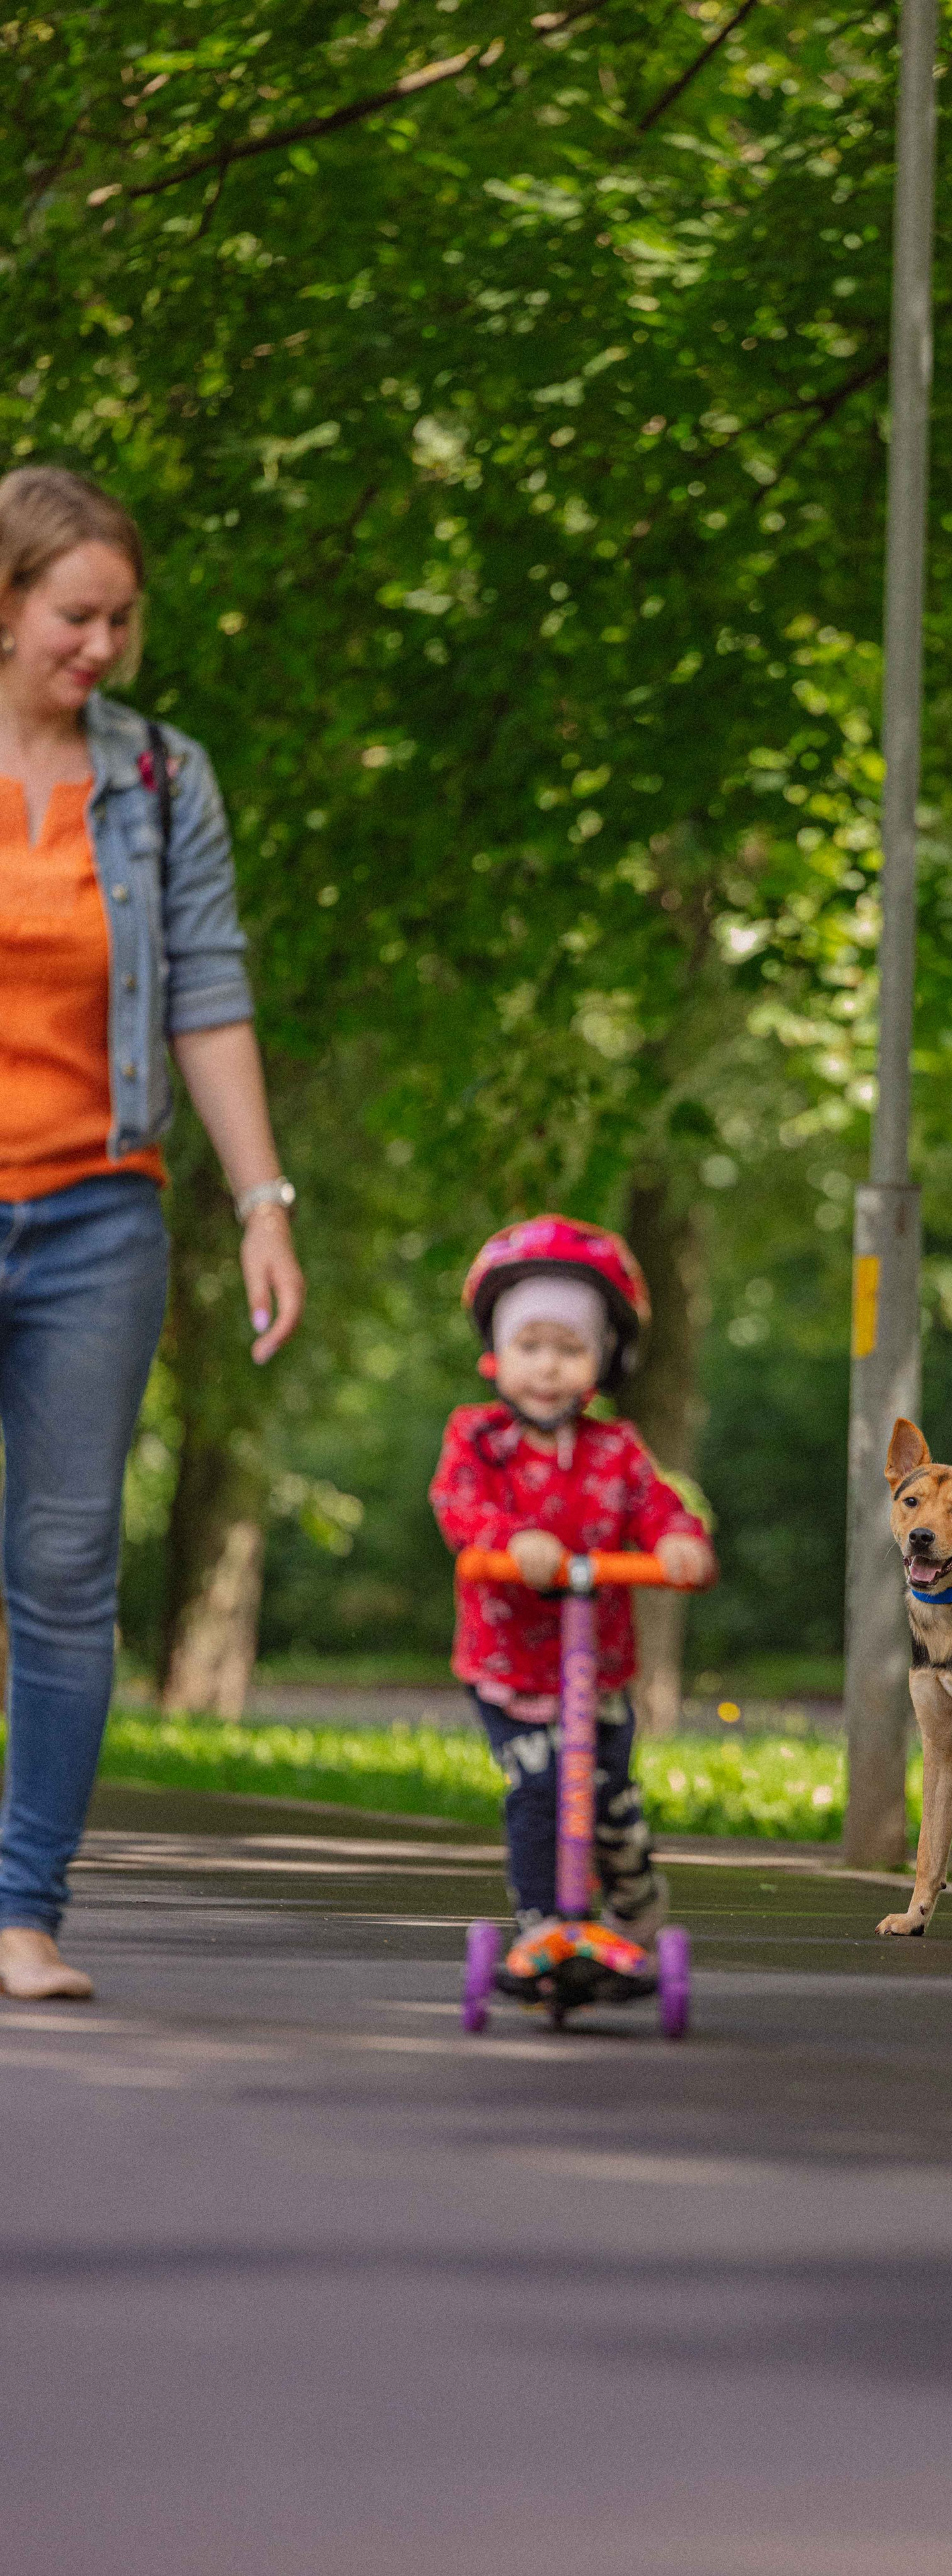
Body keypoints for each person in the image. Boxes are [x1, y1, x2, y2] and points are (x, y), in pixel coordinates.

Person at [0, 468, 303, 2001]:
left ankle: (21, 1911)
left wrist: (262, 1203)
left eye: (122, 617)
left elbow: (207, 993)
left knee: (61, 1565)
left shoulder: (164, 779)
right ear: (6, 603)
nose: (102, 645)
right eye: (75, 615)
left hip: (97, 1214)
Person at [430, 1217, 714, 1946]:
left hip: (599, 1670)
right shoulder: (478, 1438)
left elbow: (656, 1504)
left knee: (608, 1800)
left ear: (604, 1357)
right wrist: (508, 1538)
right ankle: (544, 1926)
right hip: (510, 1666)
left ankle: (632, 1895)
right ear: (496, 1352)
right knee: (539, 1790)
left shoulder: (614, 1448)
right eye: (529, 1345)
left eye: (569, 1348)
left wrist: (679, 1540)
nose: (548, 1366)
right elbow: (457, 1503)